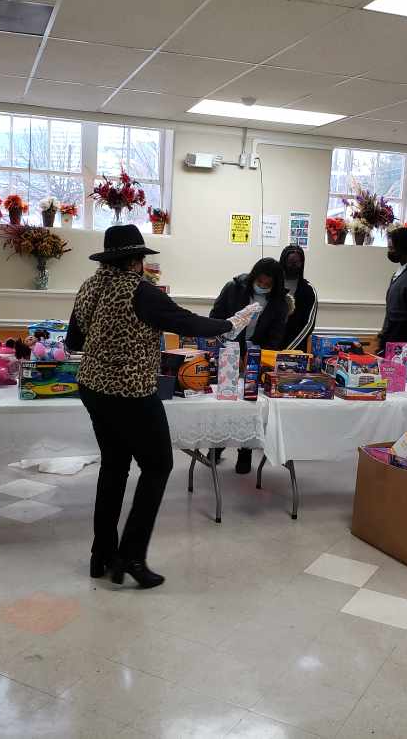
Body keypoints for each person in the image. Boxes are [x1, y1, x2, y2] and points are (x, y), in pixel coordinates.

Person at [65, 225, 258, 588]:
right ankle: (131, 557)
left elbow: (73, 339)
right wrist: (230, 323)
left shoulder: (89, 286)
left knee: (114, 466)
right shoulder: (141, 291)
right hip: (131, 392)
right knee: (158, 465)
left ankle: (101, 554)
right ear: (136, 260)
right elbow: (184, 321)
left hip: (92, 388)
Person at [210, 257, 292, 474]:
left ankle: (245, 452)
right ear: (253, 276)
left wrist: (257, 355)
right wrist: (228, 339)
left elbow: (276, 337)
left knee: (249, 406)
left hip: (256, 356)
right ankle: (217, 447)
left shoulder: (279, 303)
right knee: (225, 403)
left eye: (267, 285)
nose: (262, 286)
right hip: (229, 352)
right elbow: (215, 317)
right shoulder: (233, 289)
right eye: (259, 281)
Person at [280, 245, 318, 351]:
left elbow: (309, 324)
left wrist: (289, 350)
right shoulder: (272, 285)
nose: (293, 265)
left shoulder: (308, 290)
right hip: (269, 345)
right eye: (290, 262)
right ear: (283, 261)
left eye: (297, 262)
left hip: (295, 347)